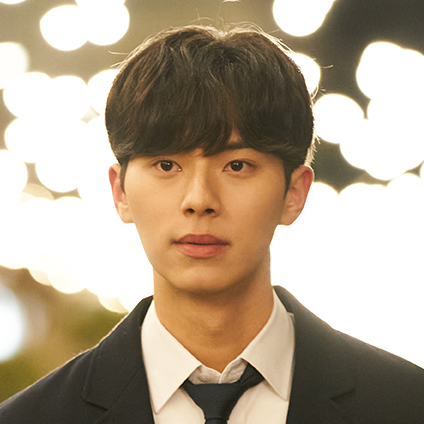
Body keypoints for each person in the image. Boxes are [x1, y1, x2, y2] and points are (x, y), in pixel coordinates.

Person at [1, 25, 424, 424]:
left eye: (237, 165)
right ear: (120, 191)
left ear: (294, 192)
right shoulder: (34, 417)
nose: (199, 200)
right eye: (166, 164)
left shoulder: (404, 404)